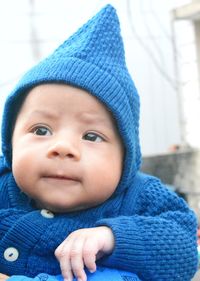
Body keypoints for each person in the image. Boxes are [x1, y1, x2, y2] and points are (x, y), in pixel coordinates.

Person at [0, 4, 198, 281]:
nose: (63, 147)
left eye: (91, 136)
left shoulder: (138, 196)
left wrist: (113, 238)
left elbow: (184, 248)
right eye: (41, 130)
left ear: (125, 158)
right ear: (10, 143)